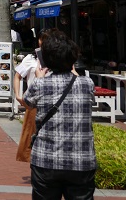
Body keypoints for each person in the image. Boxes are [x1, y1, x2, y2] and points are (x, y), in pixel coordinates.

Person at [23, 29, 96, 200]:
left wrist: (39, 78)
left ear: (46, 60)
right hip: (81, 161)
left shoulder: (39, 85)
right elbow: (84, 88)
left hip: (46, 160)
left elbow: (27, 103)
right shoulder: (87, 83)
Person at [14, 30, 48, 163]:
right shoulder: (31, 59)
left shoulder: (57, 59)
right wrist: (18, 96)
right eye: (42, 39)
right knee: (30, 138)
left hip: (53, 104)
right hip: (33, 104)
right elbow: (17, 76)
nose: (44, 42)